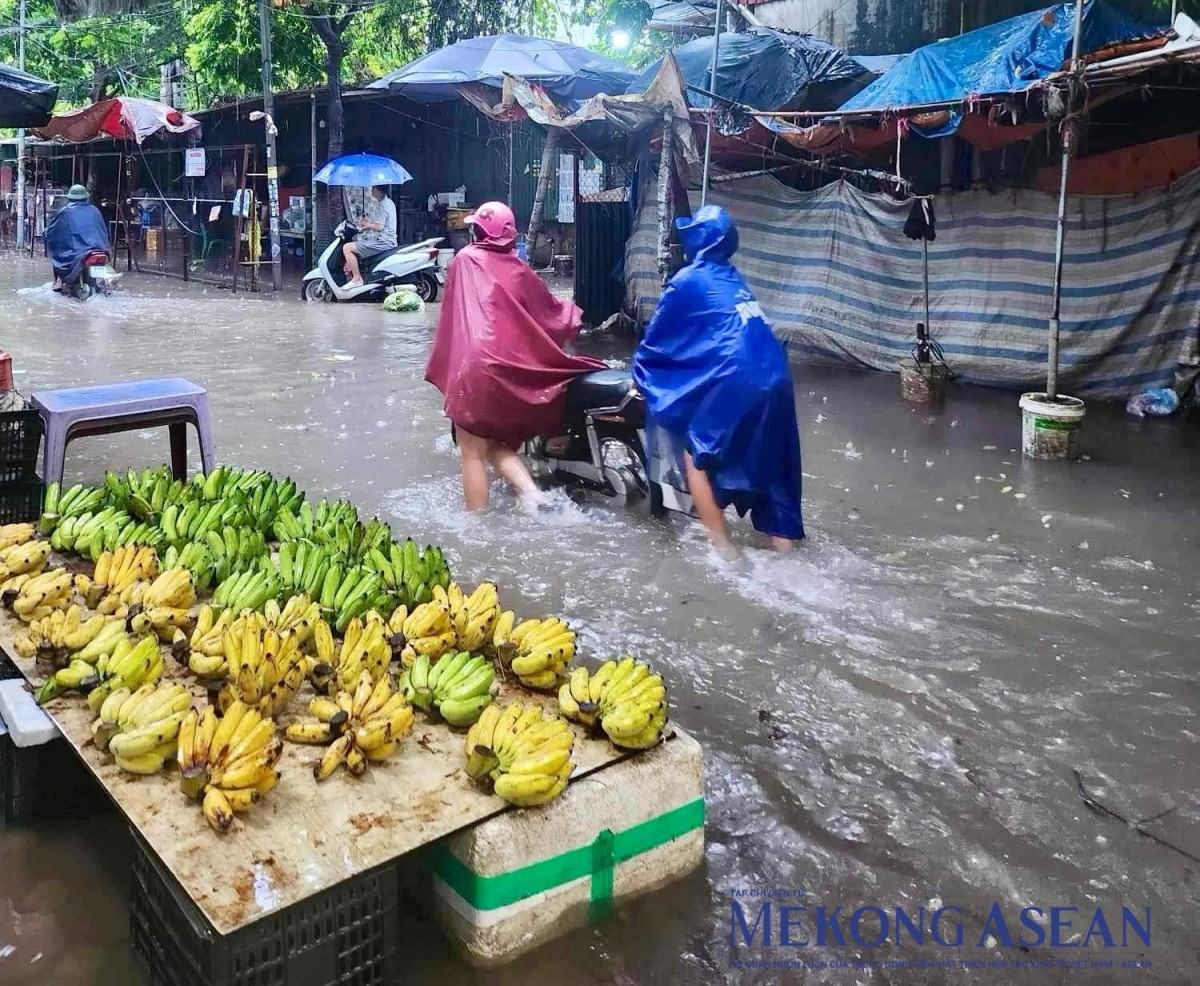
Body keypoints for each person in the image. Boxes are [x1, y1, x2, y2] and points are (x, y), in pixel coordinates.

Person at [633, 205, 805, 554]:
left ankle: (722, 550)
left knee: (698, 455)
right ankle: (787, 560)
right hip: (778, 382)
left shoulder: (688, 280)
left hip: (738, 383)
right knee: (773, 470)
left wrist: (640, 374)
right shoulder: (734, 280)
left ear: (696, 241)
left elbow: (659, 339)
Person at [426, 201, 606, 511]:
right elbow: (548, 312)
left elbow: (451, 318)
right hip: (509, 370)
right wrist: (572, 314)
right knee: (497, 442)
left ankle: (475, 527)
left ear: (479, 233)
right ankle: (534, 496)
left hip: (474, 369)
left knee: (472, 451)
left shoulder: (464, 260)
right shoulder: (519, 268)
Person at [45, 185, 110, 290]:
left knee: (57, 255)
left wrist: (47, 234)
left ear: (70, 198)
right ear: (86, 197)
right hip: (101, 249)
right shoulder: (95, 210)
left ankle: (60, 281)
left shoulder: (66, 211)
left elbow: (54, 231)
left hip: (79, 253)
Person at [343, 185, 397, 286]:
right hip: (388, 240)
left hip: (383, 242)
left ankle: (357, 278)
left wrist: (367, 224)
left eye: (373, 189)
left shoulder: (383, 205)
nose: (371, 191)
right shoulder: (389, 203)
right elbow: (382, 225)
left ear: (378, 191)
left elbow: (379, 227)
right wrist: (364, 228)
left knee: (347, 248)